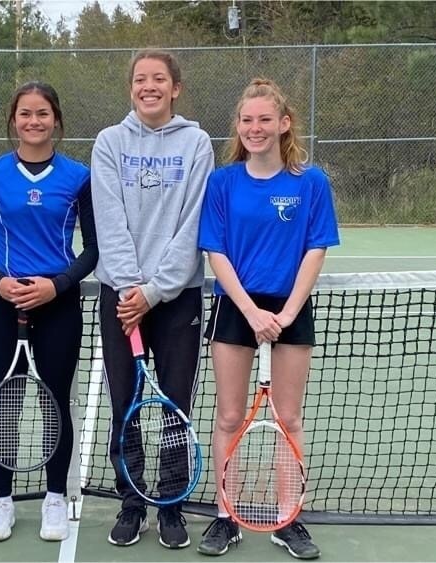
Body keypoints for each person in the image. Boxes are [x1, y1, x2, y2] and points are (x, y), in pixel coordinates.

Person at [196, 78, 340, 560]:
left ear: (284, 124)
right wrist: (252, 311)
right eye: (247, 120)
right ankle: (225, 515)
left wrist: (288, 311)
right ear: (238, 126)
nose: (255, 128)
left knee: (289, 417)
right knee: (230, 416)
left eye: (264, 120)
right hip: (237, 308)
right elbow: (215, 251)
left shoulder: (311, 183)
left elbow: (316, 249)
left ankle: (288, 516)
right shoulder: (222, 181)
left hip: (290, 309)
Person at [0, 81, 98, 543]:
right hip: (4, 306)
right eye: (24, 114)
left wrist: (55, 286)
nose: (33, 121)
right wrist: (0, 281)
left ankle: (55, 498)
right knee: (6, 404)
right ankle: (2, 500)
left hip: (59, 306)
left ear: (56, 119)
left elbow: (93, 251)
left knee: (55, 404)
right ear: (12, 120)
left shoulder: (78, 177)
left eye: (42, 113)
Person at [91, 49, 215, 550]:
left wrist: (156, 290)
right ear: (131, 88)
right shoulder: (109, 143)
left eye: (159, 79)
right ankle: (132, 500)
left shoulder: (197, 143)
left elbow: (192, 226)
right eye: (141, 79)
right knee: (125, 403)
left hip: (177, 298)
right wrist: (130, 289)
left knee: (174, 408)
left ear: (175, 88)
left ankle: (170, 504)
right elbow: (109, 219)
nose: (149, 87)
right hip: (121, 297)